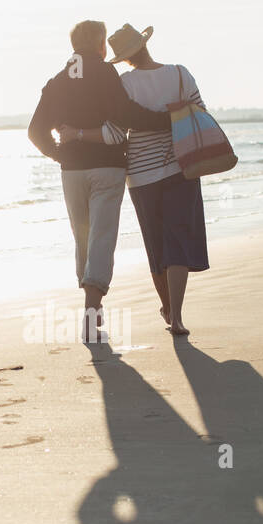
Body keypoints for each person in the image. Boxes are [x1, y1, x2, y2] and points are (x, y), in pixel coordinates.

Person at [59, 24, 209, 336]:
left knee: (156, 246)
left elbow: (114, 133)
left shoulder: (124, 84)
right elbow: (199, 113)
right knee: (177, 240)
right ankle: (178, 315)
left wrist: (77, 134)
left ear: (122, 58)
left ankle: (167, 309)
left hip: (142, 175)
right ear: (145, 45)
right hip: (182, 167)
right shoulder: (180, 74)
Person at [27, 20, 172, 342]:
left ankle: (91, 307)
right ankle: (92, 313)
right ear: (98, 43)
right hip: (107, 168)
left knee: (83, 239)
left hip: (72, 172)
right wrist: (168, 119)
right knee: (102, 238)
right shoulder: (106, 73)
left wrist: (61, 156)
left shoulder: (57, 80)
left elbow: (35, 131)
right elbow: (128, 115)